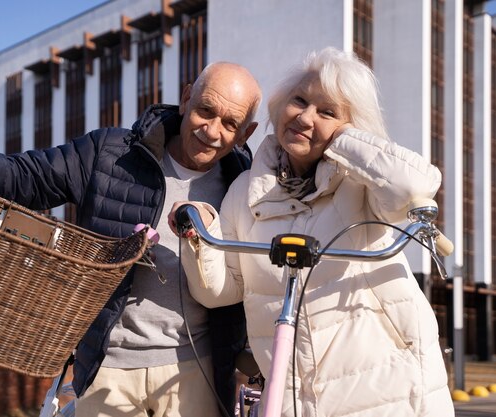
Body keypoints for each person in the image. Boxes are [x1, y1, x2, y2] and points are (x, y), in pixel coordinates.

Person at [0, 61, 262, 417]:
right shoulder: (111, 153)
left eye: (230, 123)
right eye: (205, 111)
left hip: (197, 369)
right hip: (107, 363)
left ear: (247, 132)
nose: (212, 130)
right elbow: (22, 177)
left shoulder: (247, 187)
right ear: (185, 98)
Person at [169, 47, 454, 417]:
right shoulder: (245, 190)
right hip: (294, 398)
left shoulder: (362, 184)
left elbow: (415, 187)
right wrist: (200, 236)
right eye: (298, 101)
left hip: (391, 393)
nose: (304, 118)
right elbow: (220, 292)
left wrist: (342, 137)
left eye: (327, 111)